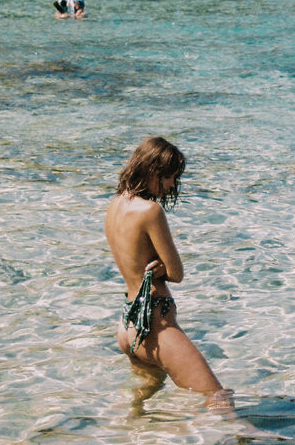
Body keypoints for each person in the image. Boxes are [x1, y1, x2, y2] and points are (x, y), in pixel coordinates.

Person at [104, 137, 233, 412]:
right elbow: (176, 273)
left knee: (141, 403)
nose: (173, 185)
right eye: (170, 177)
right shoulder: (150, 211)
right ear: (153, 171)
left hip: (127, 325)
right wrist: (164, 268)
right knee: (219, 399)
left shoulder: (114, 205)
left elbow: (134, 260)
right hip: (156, 326)